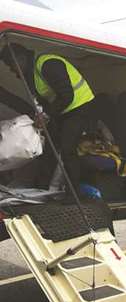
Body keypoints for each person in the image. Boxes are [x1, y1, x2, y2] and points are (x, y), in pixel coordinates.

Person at [0, 43, 95, 194]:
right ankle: (42, 188)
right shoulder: (31, 75)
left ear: (21, 58)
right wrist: (41, 116)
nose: (13, 71)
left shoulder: (48, 64)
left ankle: (74, 194)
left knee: (67, 148)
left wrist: (46, 115)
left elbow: (67, 95)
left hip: (79, 107)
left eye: (12, 66)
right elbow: (43, 102)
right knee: (50, 147)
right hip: (62, 110)